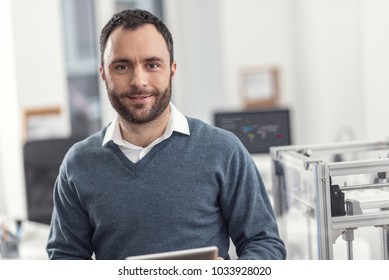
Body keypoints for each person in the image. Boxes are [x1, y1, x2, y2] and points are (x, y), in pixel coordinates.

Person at [46, 8, 286, 260]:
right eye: (122, 66)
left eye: (152, 64)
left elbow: (265, 244)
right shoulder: (79, 163)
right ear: (104, 73)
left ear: (171, 69)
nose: (139, 81)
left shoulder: (224, 150)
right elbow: (65, 258)